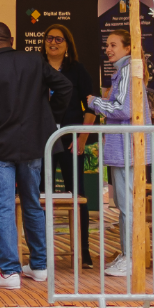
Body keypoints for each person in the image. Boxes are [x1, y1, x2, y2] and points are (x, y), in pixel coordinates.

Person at [0, 21, 73, 290]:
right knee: (31, 203)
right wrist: (49, 118)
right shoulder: (34, 61)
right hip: (32, 144)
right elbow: (65, 88)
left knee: (3, 207)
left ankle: (9, 272)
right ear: (11, 39)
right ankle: (39, 266)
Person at [87, 29, 153, 278]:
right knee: (124, 203)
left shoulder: (127, 72)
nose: (108, 49)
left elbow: (123, 109)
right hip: (126, 147)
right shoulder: (125, 72)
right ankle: (128, 254)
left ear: (127, 48)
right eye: (107, 45)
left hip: (127, 148)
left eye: (113, 45)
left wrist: (95, 101)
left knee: (126, 205)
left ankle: (131, 257)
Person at [42, 23, 99, 267]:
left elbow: (92, 105)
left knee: (77, 196)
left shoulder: (77, 70)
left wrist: (82, 138)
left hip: (70, 141)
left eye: (58, 39)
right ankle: (41, 253)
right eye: (49, 38)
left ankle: (83, 251)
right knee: (40, 197)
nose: (53, 42)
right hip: (42, 140)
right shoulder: (36, 67)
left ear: (67, 45)